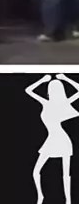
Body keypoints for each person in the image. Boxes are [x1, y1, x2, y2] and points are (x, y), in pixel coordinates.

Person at [26, 72, 79, 204]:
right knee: (36, 171)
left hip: (62, 140)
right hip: (52, 139)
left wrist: (64, 78)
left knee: (65, 173)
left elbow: (29, 90)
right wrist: (44, 80)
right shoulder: (47, 102)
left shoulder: (62, 103)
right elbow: (28, 90)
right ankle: (41, 197)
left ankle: (68, 201)